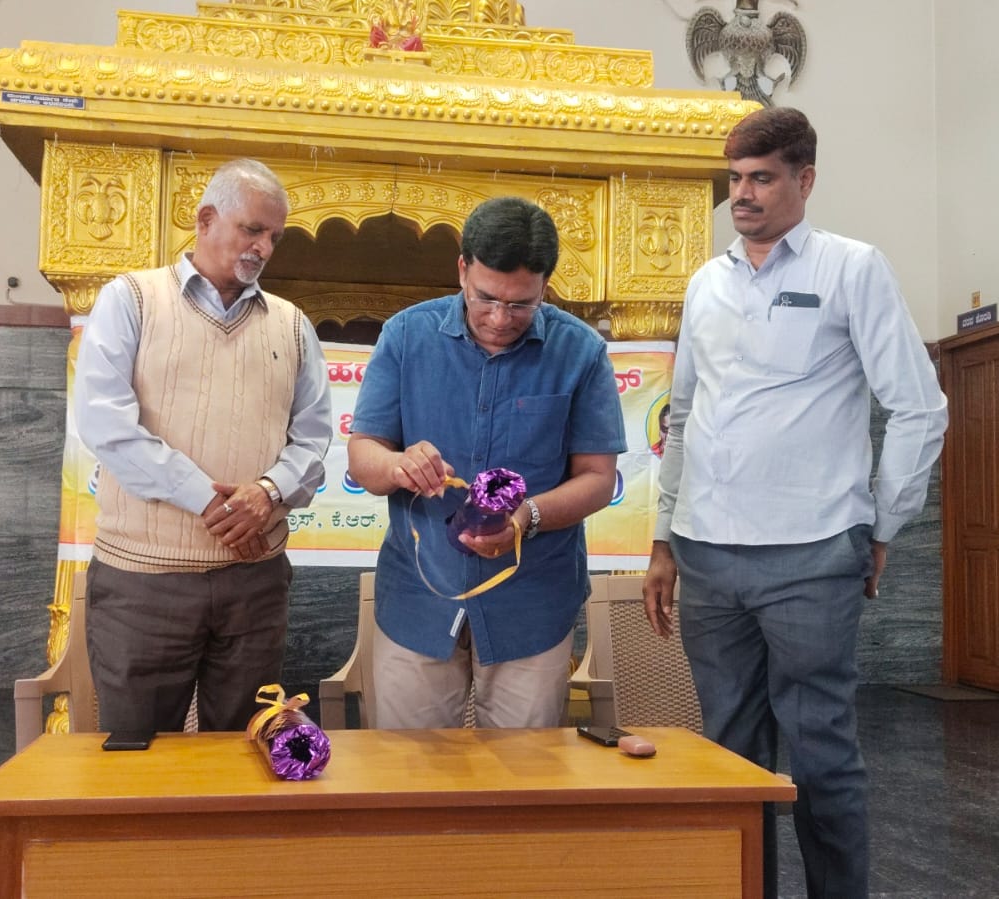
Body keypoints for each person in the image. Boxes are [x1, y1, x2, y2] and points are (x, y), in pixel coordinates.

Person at [643, 107, 947, 899]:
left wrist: (881, 522)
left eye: (761, 178)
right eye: (734, 179)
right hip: (708, 554)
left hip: (812, 552)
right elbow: (681, 416)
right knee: (727, 756)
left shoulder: (852, 268)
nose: (741, 195)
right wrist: (664, 538)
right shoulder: (704, 284)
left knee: (819, 753)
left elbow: (917, 406)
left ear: (804, 179)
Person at [73, 158, 333, 735]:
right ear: (206, 219)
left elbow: (315, 437)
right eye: (252, 230)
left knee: (243, 748)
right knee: (138, 751)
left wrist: (268, 494)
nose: (264, 248)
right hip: (145, 581)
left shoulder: (292, 324)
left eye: (274, 237)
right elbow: (105, 423)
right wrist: (212, 502)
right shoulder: (131, 299)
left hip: (254, 582)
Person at [348, 196, 626, 729]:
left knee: (521, 773)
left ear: (545, 285)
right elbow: (364, 455)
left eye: (521, 304)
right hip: (419, 597)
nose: (500, 319)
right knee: (411, 768)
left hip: (532, 603)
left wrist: (526, 518)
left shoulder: (580, 353)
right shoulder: (406, 336)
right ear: (462, 270)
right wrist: (398, 465)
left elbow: (597, 479)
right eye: (486, 298)